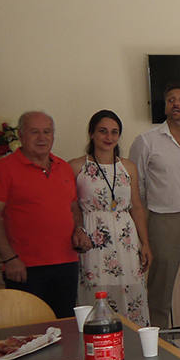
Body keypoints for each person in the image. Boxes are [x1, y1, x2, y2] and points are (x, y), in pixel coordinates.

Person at [0, 111, 91, 317]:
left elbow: (73, 207)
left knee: (65, 328)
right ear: (21, 136)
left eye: (47, 132)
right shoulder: (2, 170)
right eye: (35, 132)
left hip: (66, 264)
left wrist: (79, 230)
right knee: (29, 332)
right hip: (24, 268)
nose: (42, 138)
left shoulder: (63, 168)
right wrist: (9, 258)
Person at [128, 83, 180, 328]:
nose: (176, 103)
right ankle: (158, 347)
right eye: (171, 100)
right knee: (159, 290)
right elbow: (138, 187)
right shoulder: (146, 142)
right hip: (163, 221)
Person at [69, 110, 151, 324]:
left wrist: (145, 243)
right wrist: (77, 231)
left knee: (130, 293)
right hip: (92, 238)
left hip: (125, 239)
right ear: (92, 134)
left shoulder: (128, 167)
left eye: (114, 132)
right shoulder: (76, 166)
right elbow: (72, 206)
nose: (109, 137)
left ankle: (133, 347)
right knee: (95, 293)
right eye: (103, 131)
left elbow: (137, 207)